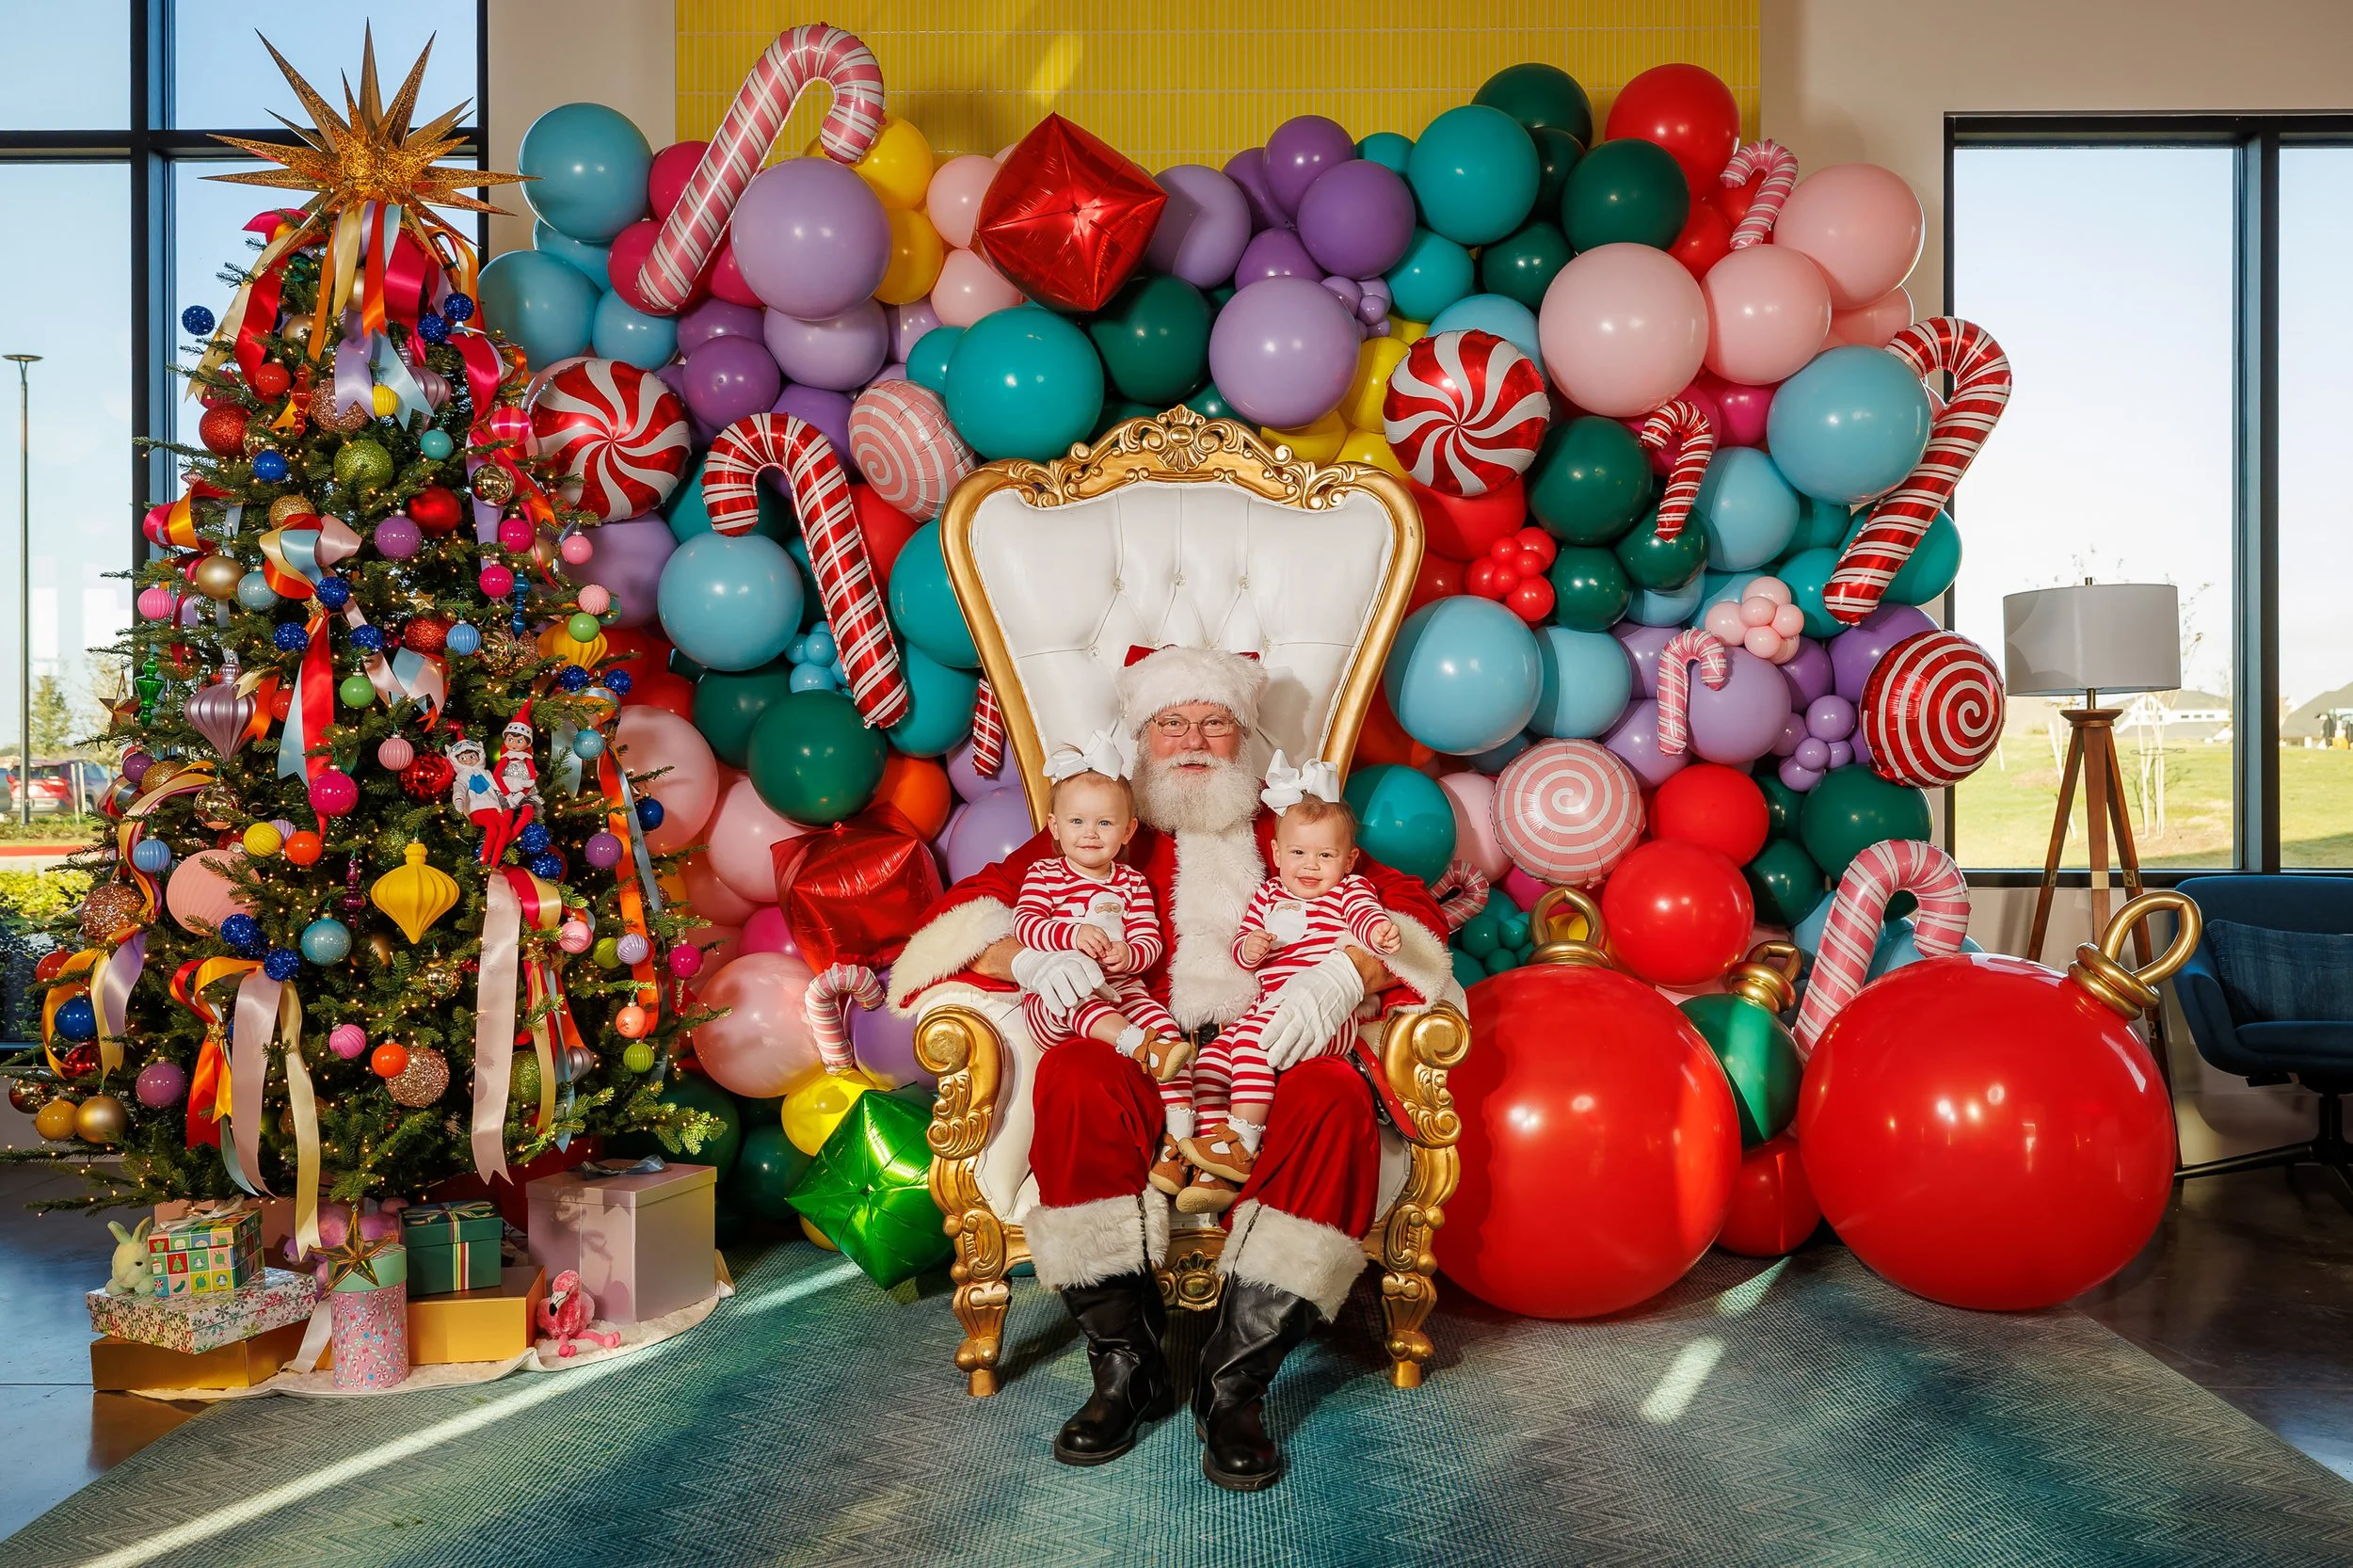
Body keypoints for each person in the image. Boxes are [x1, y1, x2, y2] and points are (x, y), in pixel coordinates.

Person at [888, 645, 1453, 1492]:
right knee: (1075, 1072)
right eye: (1171, 721)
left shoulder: (1293, 832)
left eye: (1214, 721)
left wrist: (1348, 975)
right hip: (1143, 1048)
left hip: (1273, 1048)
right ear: (1143, 735)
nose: (1192, 739)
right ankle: (1125, 1367)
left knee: (1337, 1095)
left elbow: (1402, 916)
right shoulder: (1104, 831)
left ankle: (1234, 1387)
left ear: (1244, 733)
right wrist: (1028, 961)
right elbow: (968, 911)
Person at [1178, 753, 1400, 1216]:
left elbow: (1366, 919)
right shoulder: (1268, 895)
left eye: (1325, 855)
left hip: (1329, 1014)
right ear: (1277, 854)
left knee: (1249, 1047)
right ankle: (1216, 1158)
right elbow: (1241, 946)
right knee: (1212, 1060)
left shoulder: (1349, 891)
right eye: (1298, 853)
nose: (1310, 866)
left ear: (1349, 860)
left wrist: (1377, 931)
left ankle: (1244, 1141)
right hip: (1268, 1006)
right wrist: (1251, 948)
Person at [1014, 732, 1193, 1193]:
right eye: (1077, 821)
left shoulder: (1131, 884)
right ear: (1053, 826)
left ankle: (1178, 1143)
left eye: (1104, 823)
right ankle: (1135, 1043)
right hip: (1057, 997)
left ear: (1128, 830)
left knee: (1169, 1036)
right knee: (1078, 994)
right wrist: (1070, 935)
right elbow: (1026, 925)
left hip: (1125, 990)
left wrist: (1128, 953)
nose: (1090, 834)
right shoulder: (1045, 875)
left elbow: (1149, 941)